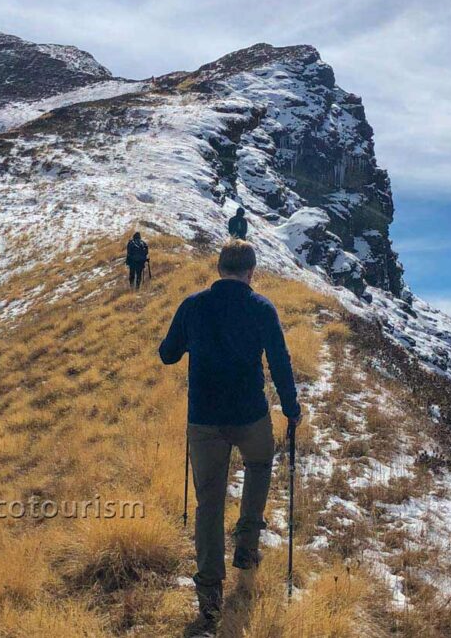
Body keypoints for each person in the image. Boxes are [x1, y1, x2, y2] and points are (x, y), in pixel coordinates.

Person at [159, 239, 302, 630]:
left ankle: (209, 596)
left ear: (219, 268)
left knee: (209, 501)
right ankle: (247, 543)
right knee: (259, 464)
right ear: (251, 271)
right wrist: (291, 409)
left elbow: (167, 354)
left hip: (204, 419)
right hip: (250, 414)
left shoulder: (193, 306)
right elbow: (279, 361)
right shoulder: (261, 308)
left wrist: (191, 338)